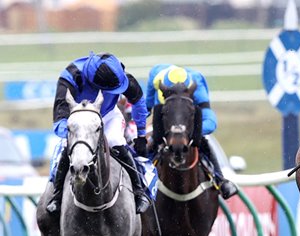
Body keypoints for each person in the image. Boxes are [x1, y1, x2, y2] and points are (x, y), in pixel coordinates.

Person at [47, 52, 150, 214]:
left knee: (116, 140)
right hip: (79, 119)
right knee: (70, 147)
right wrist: (74, 134)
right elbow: (60, 116)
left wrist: (142, 135)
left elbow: (138, 101)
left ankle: (140, 191)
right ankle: (57, 195)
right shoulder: (70, 76)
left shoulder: (120, 75)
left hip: (108, 116)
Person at [146, 64, 238, 199]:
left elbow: (210, 122)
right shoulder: (155, 75)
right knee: (153, 141)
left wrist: (188, 133)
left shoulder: (197, 82)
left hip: (188, 120)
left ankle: (220, 179)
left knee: (203, 142)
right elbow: (145, 108)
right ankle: (138, 181)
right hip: (165, 115)